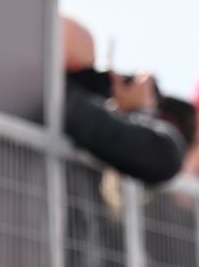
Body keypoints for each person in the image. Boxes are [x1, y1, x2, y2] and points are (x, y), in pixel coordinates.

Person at [61, 16, 185, 184]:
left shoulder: (65, 99)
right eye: (83, 72)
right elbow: (164, 155)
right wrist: (141, 110)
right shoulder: (57, 97)